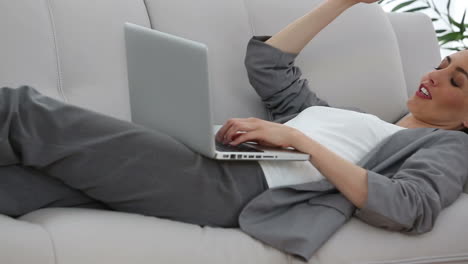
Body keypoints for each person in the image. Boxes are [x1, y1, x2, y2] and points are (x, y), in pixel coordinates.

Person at [0, 0, 466, 251]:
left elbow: (410, 206)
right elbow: (268, 64)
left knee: (23, 111)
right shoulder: (361, 121)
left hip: (237, 187)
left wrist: (297, 139)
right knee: (24, 187)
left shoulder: (445, 148)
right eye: (443, 63)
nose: (433, 74)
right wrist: (343, 3)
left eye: (456, 80)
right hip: (219, 158)